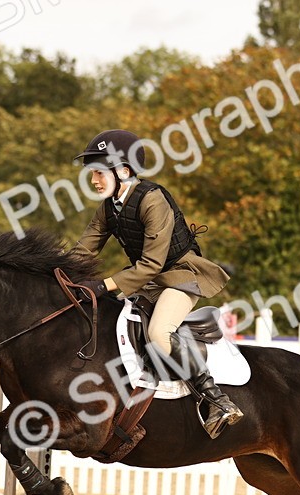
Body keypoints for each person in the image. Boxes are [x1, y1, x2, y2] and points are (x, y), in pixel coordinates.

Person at [71, 129, 244, 439]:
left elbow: (151, 263)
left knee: (158, 332)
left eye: (98, 172)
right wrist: (53, 273)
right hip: (149, 282)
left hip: (181, 276)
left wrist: (104, 285)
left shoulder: (153, 200)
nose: (94, 180)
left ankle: (216, 399)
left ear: (122, 170)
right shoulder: (108, 208)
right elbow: (83, 250)